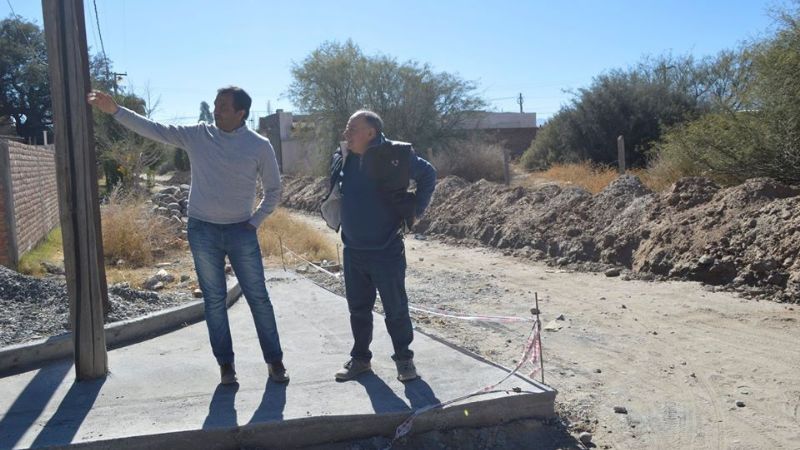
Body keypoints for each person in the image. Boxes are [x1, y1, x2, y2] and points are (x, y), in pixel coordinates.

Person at [88, 87, 288, 385]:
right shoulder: (198, 135)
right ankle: (226, 367)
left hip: (241, 232)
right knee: (214, 301)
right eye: (217, 104)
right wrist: (116, 111)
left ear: (240, 113)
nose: (216, 110)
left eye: (223, 106)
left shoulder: (259, 145)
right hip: (202, 231)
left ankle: (275, 362)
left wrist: (254, 221)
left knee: (259, 298)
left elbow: (274, 190)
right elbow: (156, 129)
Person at [323, 110, 436, 382]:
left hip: (386, 249)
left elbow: (428, 174)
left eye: (352, 129)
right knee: (358, 310)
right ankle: (360, 360)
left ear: (370, 133)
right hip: (353, 250)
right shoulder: (344, 157)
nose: (346, 133)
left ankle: (404, 361)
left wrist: (416, 211)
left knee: (395, 309)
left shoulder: (395, 155)